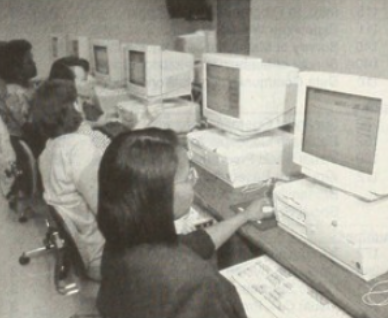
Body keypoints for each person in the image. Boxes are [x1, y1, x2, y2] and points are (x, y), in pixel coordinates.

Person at [96, 128, 272, 318]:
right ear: (160, 195)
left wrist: (244, 216)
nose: (193, 184)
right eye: (188, 178)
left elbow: (192, 244)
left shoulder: (121, 242)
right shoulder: (196, 283)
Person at [30, 79, 106, 281]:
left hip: (84, 246)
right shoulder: (78, 146)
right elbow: (106, 211)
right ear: (73, 106)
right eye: (78, 100)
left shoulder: (49, 147)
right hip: (100, 253)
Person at [0, 39, 37, 137]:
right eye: (29, 62)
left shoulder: (29, 86)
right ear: (16, 69)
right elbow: (26, 126)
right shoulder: (12, 94)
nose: (34, 63)